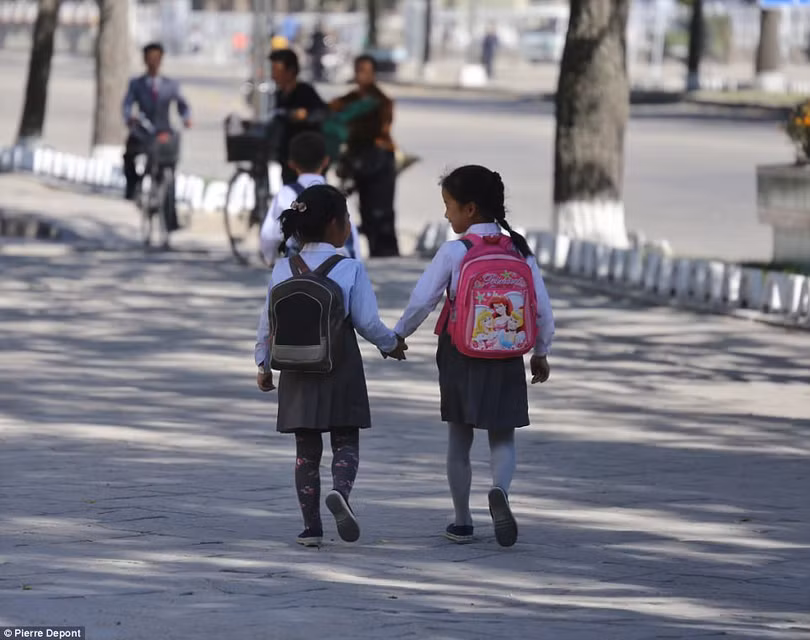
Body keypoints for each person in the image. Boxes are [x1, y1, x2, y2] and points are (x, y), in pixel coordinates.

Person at [393, 165, 554, 548]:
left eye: (449, 205)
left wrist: (397, 335)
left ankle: (462, 520)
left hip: (460, 353)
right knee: (503, 435)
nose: (446, 213)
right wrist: (541, 352)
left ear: (470, 209)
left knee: (459, 437)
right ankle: (499, 489)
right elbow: (543, 310)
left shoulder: (455, 251)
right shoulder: (519, 250)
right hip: (507, 353)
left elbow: (422, 301)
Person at [255, 185, 407, 547]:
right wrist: (391, 344)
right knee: (346, 441)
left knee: (306, 453)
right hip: (340, 368)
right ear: (335, 225)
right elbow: (367, 322)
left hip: (296, 371)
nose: (350, 225)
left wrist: (263, 363)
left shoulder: (282, 268)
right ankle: (340, 491)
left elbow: (267, 322)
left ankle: (311, 528)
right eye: (348, 219)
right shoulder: (350, 268)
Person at [330, 54, 399, 257]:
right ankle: (375, 249)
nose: (361, 75)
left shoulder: (381, 101)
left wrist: (352, 128)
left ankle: (386, 252)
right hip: (358, 160)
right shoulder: (350, 99)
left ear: (373, 73)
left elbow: (381, 129)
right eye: (358, 70)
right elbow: (331, 110)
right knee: (366, 209)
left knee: (381, 210)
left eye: (365, 71)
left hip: (379, 160)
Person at [259, 131, 361, 265]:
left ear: (291, 164)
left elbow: (268, 236)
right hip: (338, 269)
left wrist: (271, 260)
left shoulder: (285, 194)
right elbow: (352, 239)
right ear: (326, 161)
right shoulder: (336, 196)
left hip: (298, 270)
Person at [122, 42, 191, 233]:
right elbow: (127, 105)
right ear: (145, 60)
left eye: (156, 58)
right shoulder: (136, 84)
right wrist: (129, 118)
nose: (153, 62)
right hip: (143, 131)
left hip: (164, 133)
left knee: (170, 172)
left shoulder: (170, 85)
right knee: (128, 155)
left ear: (161, 60)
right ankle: (133, 188)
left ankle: (171, 219)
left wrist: (186, 118)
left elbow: (183, 106)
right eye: (150, 58)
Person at [269, 48, 328, 185]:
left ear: (290, 71)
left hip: (308, 161)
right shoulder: (279, 95)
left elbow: (322, 113)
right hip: (288, 158)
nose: (274, 75)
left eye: (277, 70)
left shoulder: (305, 92)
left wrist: (304, 116)